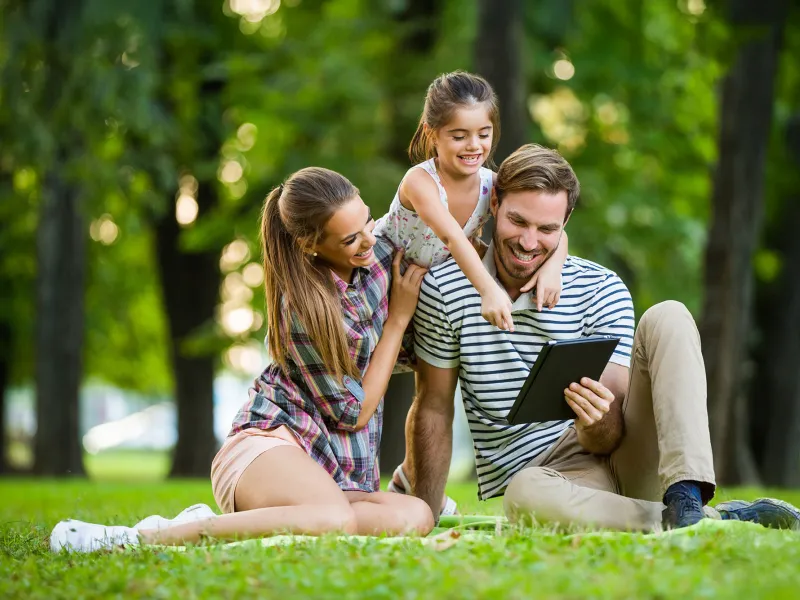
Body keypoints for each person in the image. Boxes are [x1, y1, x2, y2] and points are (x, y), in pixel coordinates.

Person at [396, 143, 800, 532]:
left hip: (628, 460)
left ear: (565, 224)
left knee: (669, 315)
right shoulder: (446, 288)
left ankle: (686, 496)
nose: (529, 242)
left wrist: (593, 421)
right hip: (551, 481)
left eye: (547, 229)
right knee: (524, 494)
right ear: (495, 204)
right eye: (518, 221)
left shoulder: (600, 287)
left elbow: (613, 434)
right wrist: (426, 511)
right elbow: (433, 405)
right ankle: (703, 521)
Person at [50, 167, 435, 553]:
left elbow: (424, 199)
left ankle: (230, 523)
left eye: (367, 219)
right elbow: (353, 413)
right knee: (333, 519)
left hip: (327, 474)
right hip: (266, 448)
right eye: (351, 238)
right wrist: (398, 320)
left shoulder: (372, 254)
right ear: (310, 244)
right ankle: (142, 538)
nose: (370, 239)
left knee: (415, 516)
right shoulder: (303, 310)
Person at [376, 72, 569, 513]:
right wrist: (488, 290)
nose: (473, 146)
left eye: (483, 134)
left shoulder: (491, 184)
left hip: (432, 288)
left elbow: (550, 222)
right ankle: (341, 477)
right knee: (364, 384)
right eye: (458, 135)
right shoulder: (419, 181)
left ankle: (413, 480)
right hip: (385, 282)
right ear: (433, 134)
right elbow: (451, 237)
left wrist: (553, 267)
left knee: (434, 386)